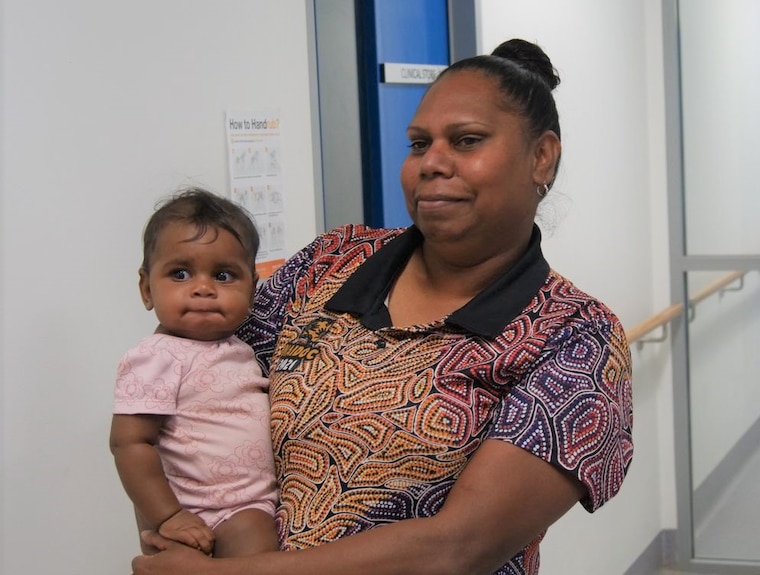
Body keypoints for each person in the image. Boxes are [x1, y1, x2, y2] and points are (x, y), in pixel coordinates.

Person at [131, 38, 633, 575]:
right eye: (419, 144)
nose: (432, 164)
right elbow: (191, 389)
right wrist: (172, 522)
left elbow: (460, 547)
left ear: (541, 156)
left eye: (465, 141)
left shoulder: (576, 337)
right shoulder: (332, 261)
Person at [110, 188, 278, 558]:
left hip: (251, 503)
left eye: (223, 275)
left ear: (252, 289)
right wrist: (168, 515)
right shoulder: (155, 357)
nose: (203, 289)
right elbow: (130, 442)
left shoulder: (241, 348)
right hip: (195, 507)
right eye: (180, 273)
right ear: (146, 287)